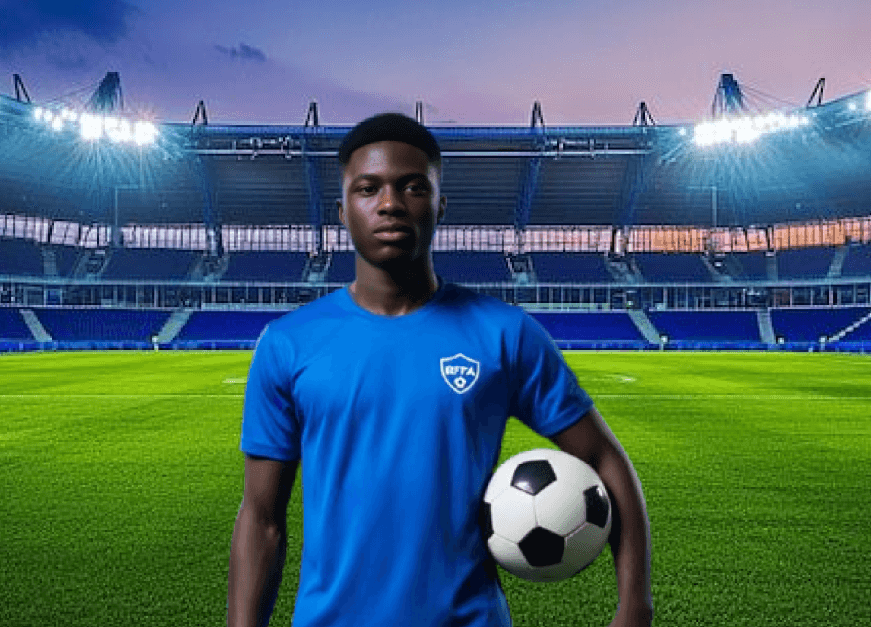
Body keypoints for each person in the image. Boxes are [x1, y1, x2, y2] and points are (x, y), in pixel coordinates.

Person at [227, 112, 652, 627]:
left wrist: (635, 605)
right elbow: (262, 518)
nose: (390, 203)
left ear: (439, 205)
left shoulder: (504, 334)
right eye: (368, 189)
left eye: (413, 187)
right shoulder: (288, 344)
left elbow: (603, 458)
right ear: (343, 211)